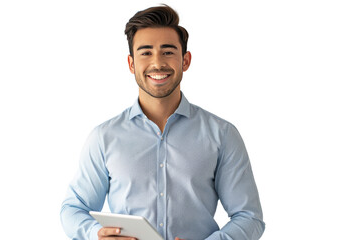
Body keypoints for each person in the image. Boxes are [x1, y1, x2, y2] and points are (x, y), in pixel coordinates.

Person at [60, 5, 265, 240]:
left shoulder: (222, 134)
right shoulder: (104, 137)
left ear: (185, 60)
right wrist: (96, 233)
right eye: (145, 52)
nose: (157, 63)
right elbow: (72, 209)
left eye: (168, 52)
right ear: (131, 64)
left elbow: (249, 217)